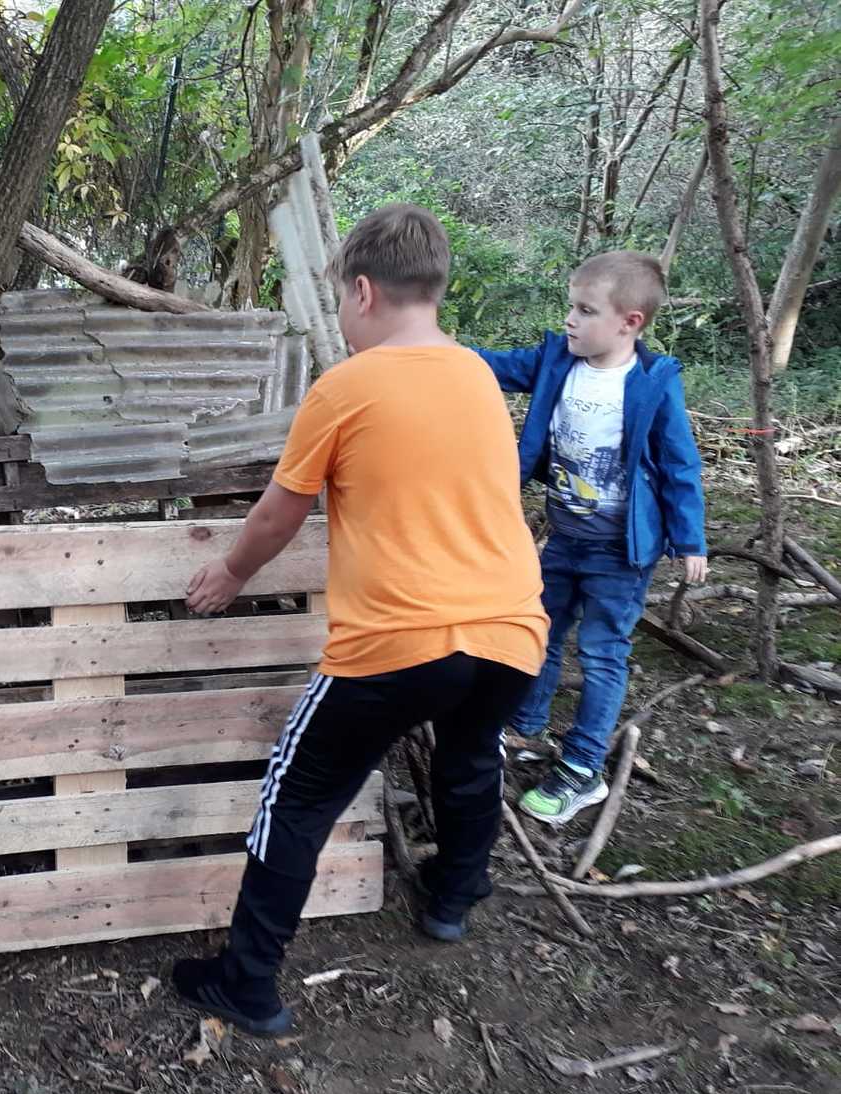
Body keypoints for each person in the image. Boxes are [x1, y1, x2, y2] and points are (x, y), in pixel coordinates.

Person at [173, 204, 548, 1036]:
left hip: (397, 642)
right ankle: (452, 898)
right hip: (513, 629)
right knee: (469, 758)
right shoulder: (479, 378)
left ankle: (247, 981)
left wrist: (230, 573)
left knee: (297, 792)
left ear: (364, 292)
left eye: (343, 298)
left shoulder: (347, 385)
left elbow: (278, 514)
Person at [474, 251, 707, 826]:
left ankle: (582, 768)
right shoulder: (557, 360)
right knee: (541, 631)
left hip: (621, 553)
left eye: (585, 310)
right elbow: (487, 366)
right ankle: (525, 728)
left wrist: (690, 540)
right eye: (571, 307)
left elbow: (680, 465)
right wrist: (426, 347)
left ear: (630, 322)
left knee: (602, 652)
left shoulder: (652, 384)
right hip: (564, 536)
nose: (570, 320)